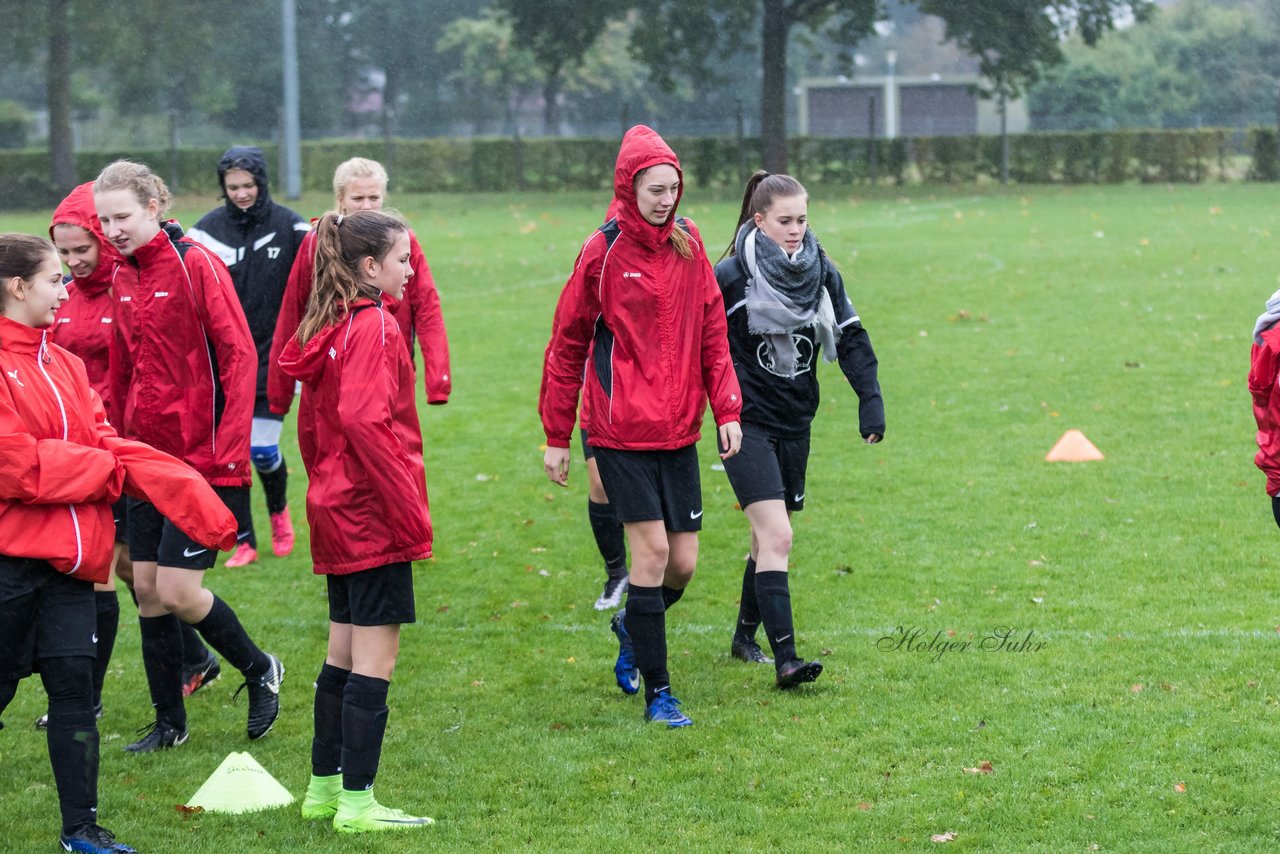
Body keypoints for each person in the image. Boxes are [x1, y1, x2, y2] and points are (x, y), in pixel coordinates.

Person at [0, 232, 238, 854]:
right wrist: (105, 472)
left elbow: (104, 441)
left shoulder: (66, 363)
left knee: (76, 695)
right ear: (18, 287)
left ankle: (81, 831)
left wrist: (178, 483)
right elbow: (17, 467)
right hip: (10, 569)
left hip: (74, 567)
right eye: (55, 280)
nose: (65, 290)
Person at [540, 125, 743, 728]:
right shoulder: (601, 252)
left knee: (683, 563)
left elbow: (712, 329)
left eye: (673, 190)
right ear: (629, 188)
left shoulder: (689, 242)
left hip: (680, 431)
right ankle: (661, 694)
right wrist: (557, 436)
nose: (665, 200)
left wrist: (727, 409)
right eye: (655, 189)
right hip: (619, 430)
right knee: (651, 553)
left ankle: (632, 624)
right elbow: (567, 343)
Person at [93, 160, 284, 753]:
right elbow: (124, 368)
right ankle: (170, 724)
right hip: (144, 462)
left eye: (122, 216)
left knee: (176, 591)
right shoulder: (122, 274)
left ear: (154, 206)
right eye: (104, 220)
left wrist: (226, 451)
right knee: (146, 590)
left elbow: (238, 355)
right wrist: (117, 443)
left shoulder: (195, 262)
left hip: (202, 460)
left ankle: (260, 669)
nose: (113, 229)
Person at [42, 184, 222, 731]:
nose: (74, 263)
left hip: (121, 449)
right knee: (124, 572)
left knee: (109, 574)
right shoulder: (59, 297)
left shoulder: (131, 282)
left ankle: (87, 699)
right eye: (64, 254)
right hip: (78, 452)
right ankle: (194, 659)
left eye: (82, 249)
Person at [279, 210, 435, 832]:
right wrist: (409, 515)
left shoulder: (332, 323)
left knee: (340, 652)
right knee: (375, 659)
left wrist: (327, 488)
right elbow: (368, 423)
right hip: (370, 512)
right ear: (370, 267)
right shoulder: (373, 326)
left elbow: (319, 427)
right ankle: (358, 804)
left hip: (336, 506)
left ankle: (323, 790)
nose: (411, 270)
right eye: (403, 260)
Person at [714, 171, 884, 688]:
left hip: (795, 423)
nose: (795, 230)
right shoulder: (728, 276)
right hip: (744, 426)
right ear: (759, 221)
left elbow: (851, 336)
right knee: (778, 535)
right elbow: (698, 345)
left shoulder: (821, 272)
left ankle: (745, 637)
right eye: (784, 221)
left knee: (764, 537)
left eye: (802, 219)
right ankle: (786, 659)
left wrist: (869, 400)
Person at [189, 146, 311, 567]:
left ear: (262, 184)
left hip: (273, 359)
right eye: (233, 187)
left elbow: (315, 287)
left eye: (248, 185)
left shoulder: (291, 227)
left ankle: (278, 510)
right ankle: (244, 539)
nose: (241, 193)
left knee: (260, 450)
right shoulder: (203, 233)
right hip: (223, 362)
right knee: (230, 453)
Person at [267, 157, 450, 417]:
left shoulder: (403, 241)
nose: (366, 206)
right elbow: (293, 311)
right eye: (357, 198)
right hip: (329, 369)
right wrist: (279, 392)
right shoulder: (316, 242)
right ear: (340, 198)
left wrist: (438, 379)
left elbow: (427, 305)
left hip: (390, 363)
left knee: (391, 441)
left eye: (374, 197)